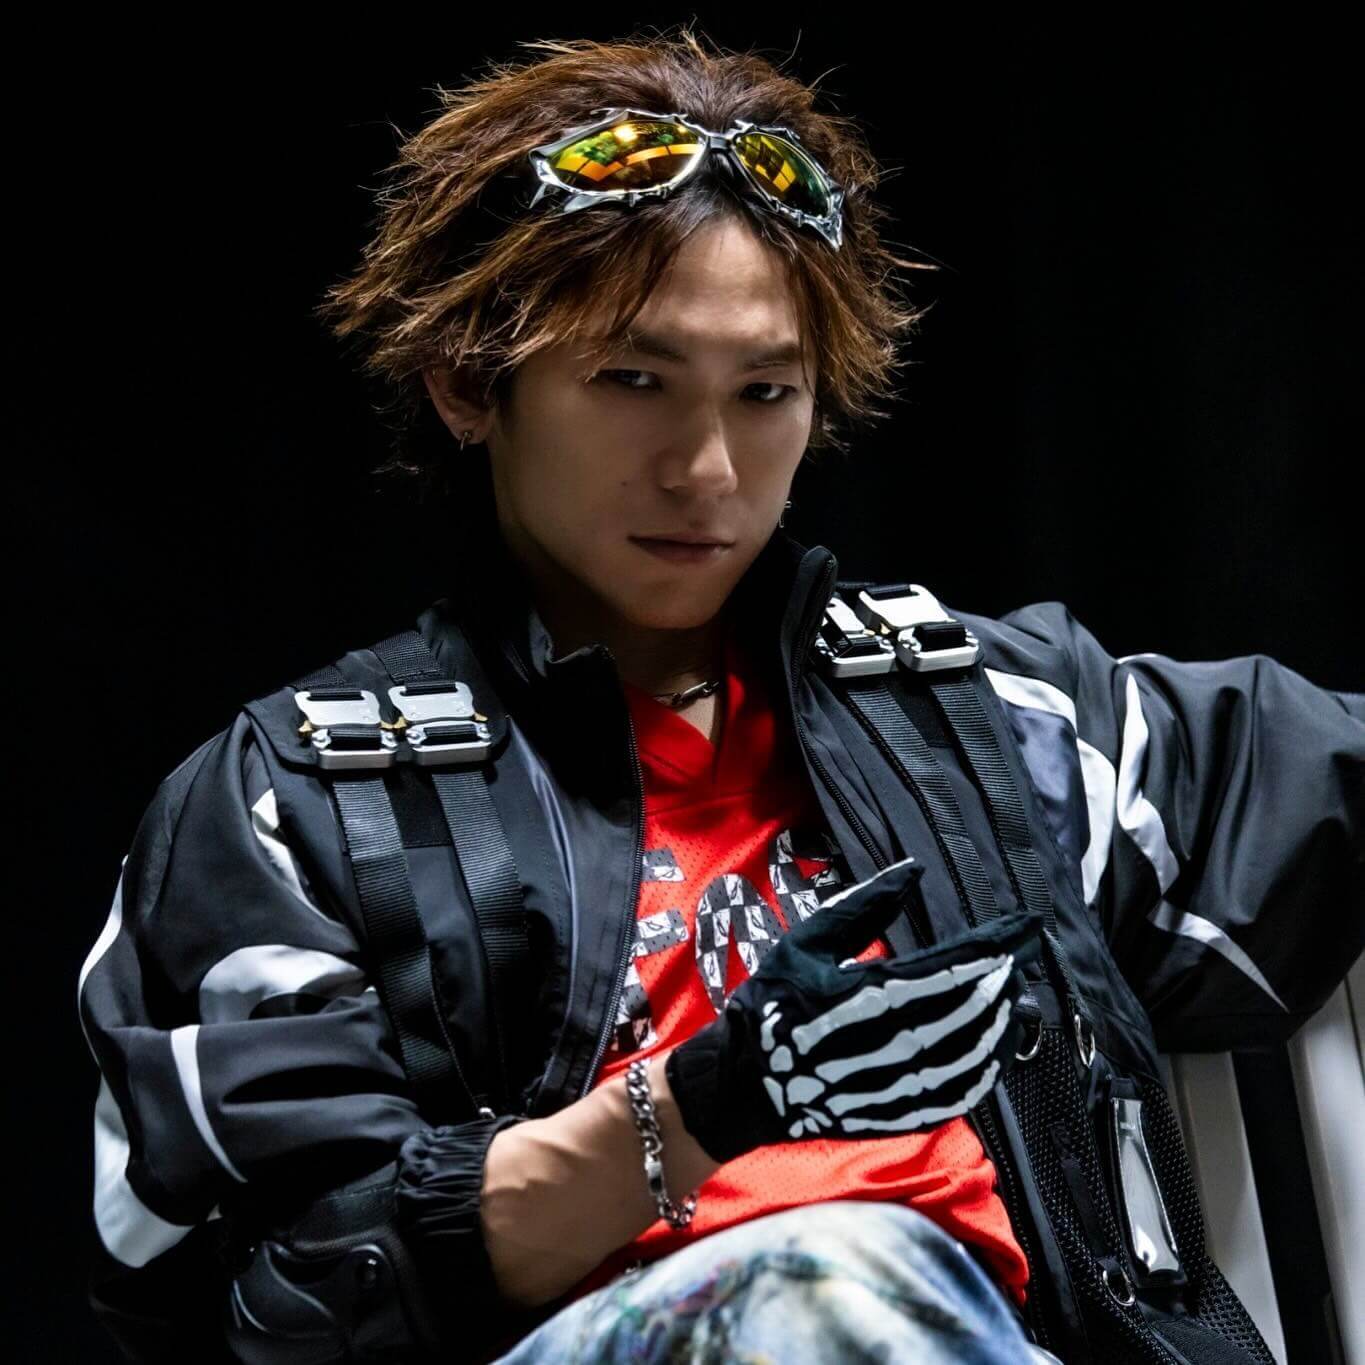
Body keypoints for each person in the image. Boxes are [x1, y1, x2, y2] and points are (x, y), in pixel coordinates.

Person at [76, 28, 1364, 1365]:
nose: (707, 470)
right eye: (632, 380)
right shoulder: (300, 803)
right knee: (828, 1279)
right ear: (466, 381)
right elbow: (280, 1298)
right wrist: (700, 1107)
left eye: (764, 393)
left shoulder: (995, 723)